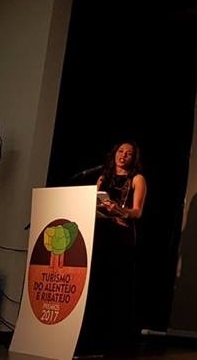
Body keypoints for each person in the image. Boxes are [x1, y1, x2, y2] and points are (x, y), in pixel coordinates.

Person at [78, 141, 147, 354]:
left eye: (129, 153)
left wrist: (120, 210)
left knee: (116, 286)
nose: (123, 155)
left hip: (121, 235)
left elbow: (138, 212)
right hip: (100, 233)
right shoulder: (103, 177)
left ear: (134, 158)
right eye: (120, 151)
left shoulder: (137, 179)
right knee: (96, 284)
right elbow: (90, 203)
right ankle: (91, 339)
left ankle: (115, 341)